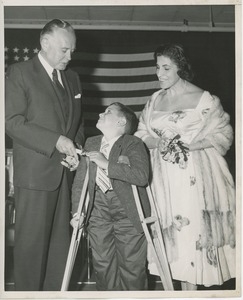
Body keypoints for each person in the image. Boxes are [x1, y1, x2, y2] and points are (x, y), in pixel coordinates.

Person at [135, 43, 235, 290]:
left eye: (166, 68)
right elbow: (140, 134)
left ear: (181, 68)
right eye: (158, 67)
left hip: (194, 179)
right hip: (162, 180)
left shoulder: (204, 99)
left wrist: (191, 146)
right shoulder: (155, 99)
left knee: (191, 240)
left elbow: (224, 134)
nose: (160, 73)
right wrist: (160, 142)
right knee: (170, 244)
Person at [5, 19, 84, 291]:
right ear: (45, 43)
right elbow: (11, 121)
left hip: (64, 175)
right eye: (64, 50)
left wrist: (76, 149)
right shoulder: (20, 72)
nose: (69, 56)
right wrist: (56, 141)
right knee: (31, 252)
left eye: (72, 50)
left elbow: (78, 123)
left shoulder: (72, 78)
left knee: (59, 252)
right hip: (35, 176)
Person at [71, 102, 151, 290]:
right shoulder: (91, 142)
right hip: (98, 210)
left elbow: (141, 176)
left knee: (131, 265)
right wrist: (76, 213)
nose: (101, 113)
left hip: (127, 210)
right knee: (102, 264)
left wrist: (106, 164)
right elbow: (80, 182)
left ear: (121, 122)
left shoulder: (133, 143)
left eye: (108, 112)